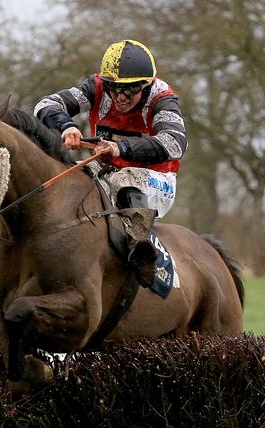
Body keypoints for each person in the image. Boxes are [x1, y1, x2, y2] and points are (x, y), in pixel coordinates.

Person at [34, 39, 187, 287]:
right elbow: (46, 104)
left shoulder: (162, 99)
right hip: (107, 170)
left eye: (129, 90)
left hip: (156, 181)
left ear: (145, 86)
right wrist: (67, 126)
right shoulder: (95, 88)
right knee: (68, 176)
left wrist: (122, 147)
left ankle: (143, 249)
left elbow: (175, 143)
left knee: (124, 178)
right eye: (113, 88)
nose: (120, 97)